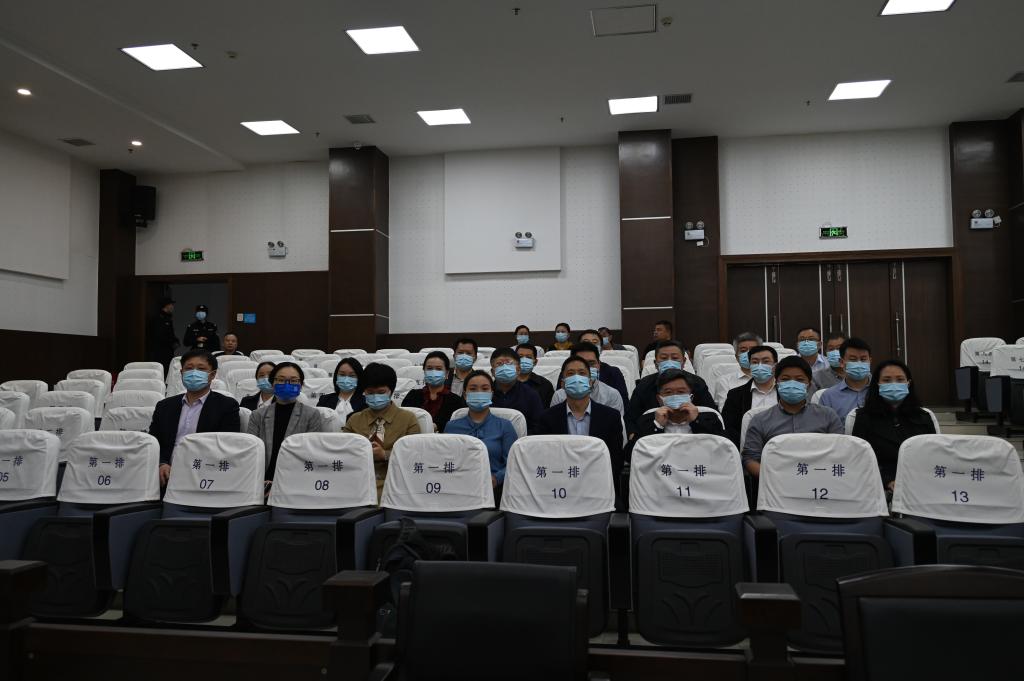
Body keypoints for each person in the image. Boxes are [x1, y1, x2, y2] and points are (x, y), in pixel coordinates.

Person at [537, 355, 626, 495]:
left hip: (599, 486)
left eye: (582, 373)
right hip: (559, 487)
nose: (577, 378)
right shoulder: (546, 418)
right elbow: (545, 458)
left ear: (590, 382)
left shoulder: (611, 417)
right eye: (570, 374)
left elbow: (615, 460)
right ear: (563, 384)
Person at [148, 350, 240, 486]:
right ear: (181, 373)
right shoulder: (164, 406)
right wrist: (162, 463)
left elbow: (226, 446)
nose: (194, 373)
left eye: (201, 369)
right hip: (166, 475)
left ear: (212, 374)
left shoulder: (227, 406)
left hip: (206, 476)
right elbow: (153, 441)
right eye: (189, 368)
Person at [742, 356, 843, 477]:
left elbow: (840, 452)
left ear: (809, 385)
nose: (792, 384)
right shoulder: (760, 420)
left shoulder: (828, 416)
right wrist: (772, 478)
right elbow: (750, 459)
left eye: (799, 380)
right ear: (777, 383)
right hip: (775, 480)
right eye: (785, 379)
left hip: (820, 478)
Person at [851, 359, 936, 492]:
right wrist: (887, 481)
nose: (894, 384)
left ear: (908, 383)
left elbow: (933, 455)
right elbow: (859, 459)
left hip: (920, 482)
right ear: (877, 384)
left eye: (900, 379)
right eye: (887, 380)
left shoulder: (924, 417)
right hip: (878, 485)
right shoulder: (863, 417)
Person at [343, 363, 422, 495]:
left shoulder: (408, 419)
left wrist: (385, 455)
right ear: (364, 392)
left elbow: (415, 456)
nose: (375, 397)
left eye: (381, 392)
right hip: (357, 482)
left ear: (391, 391)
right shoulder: (354, 420)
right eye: (370, 393)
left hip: (395, 484)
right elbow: (343, 452)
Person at [247, 362, 324, 490]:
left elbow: (312, 455)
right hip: (261, 482)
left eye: (293, 381)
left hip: (296, 483)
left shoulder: (311, 415)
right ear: (272, 383)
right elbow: (251, 454)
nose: (287, 384)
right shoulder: (257, 415)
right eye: (281, 380)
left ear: (301, 385)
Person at [444, 370, 517, 490]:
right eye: (473, 389)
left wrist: (496, 478)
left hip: (494, 489)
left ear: (491, 394)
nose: (479, 392)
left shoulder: (505, 426)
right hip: (457, 487)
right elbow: (445, 459)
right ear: (465, 395)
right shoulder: (451, 427)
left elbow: (513, 463)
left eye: (484, 389)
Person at [626, 340, 715, 436]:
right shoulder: (644, 385)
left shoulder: (697, 383)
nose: (669, 362)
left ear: (684, 362)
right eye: (664, 358)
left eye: (675, 358)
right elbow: (631, 419)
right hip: (653, 435)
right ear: (655, 363)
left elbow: (711, 413)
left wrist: (697, 420)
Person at [631, 369, 727, 441]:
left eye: (681, 392)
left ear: (691, 397)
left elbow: (724, 448)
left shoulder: (710, 417)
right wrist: (656, 426)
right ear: (659, 399)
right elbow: (631, 454)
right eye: (668, 392)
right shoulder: (647, 419)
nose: (675, 396)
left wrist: (697, 421)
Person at [721, 345, 779, 448]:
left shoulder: (785, 392)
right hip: (747, 447)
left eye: (766, 361)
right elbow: (730, 428)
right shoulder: (735, 395)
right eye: (755, 362)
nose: (760, 366)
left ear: (775, 365)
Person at [550, 342, 625, 418]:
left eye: (591, 363)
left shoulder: (612, 395)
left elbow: (615, 424)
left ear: (599, 365)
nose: (586, 368)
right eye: (580, 363)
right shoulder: (559, 396)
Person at [403, 351, 466, 432]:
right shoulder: (412, 396)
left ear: (447, 373)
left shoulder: (456, 401)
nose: (433, 372)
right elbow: (403, 420)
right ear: (424, 371)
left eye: (438, 369)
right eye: (429, 368)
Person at [489, 347, 544, 434]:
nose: (505, 367)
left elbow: (538, 427)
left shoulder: (531, 395)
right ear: (493, 372)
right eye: (499, 364)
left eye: (509, 363)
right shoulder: (485, 393)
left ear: (518, 370)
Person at [818, 337, 873, 421]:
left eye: (863, 359)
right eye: (853, 359)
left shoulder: (881, 391)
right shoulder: (828, 397)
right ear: (841, 362)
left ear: (870, 361)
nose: (859, 363)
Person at [713, 332, 764, 409]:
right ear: (736, 357)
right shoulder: (724, 381)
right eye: (743, 350)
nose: (748, 354)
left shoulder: (773, 379)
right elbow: (726, 411)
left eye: (753, 350)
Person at [578, 329, 628, 404]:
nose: (590, 346)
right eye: (586, 343)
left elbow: (624, 403)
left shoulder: (614, 373)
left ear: (601, 348)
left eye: (595, 342)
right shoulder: (568, 372)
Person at [317, 358, 367, 422]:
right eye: (342, 375)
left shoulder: (366, 402)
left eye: (352, 375)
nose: (346, 379)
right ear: (336, 376)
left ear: (359, 378)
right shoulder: (324, 400)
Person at [146, 296, 179, 372]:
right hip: (160, 352)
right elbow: (159, 335)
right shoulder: (158, 319)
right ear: (166, 306)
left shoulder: (168, 318)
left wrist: (175, 341)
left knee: (168, 370)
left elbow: (170, 334)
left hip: (168, 351)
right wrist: (172, 342)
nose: (172, 307)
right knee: (161, 370)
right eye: (171, 304)